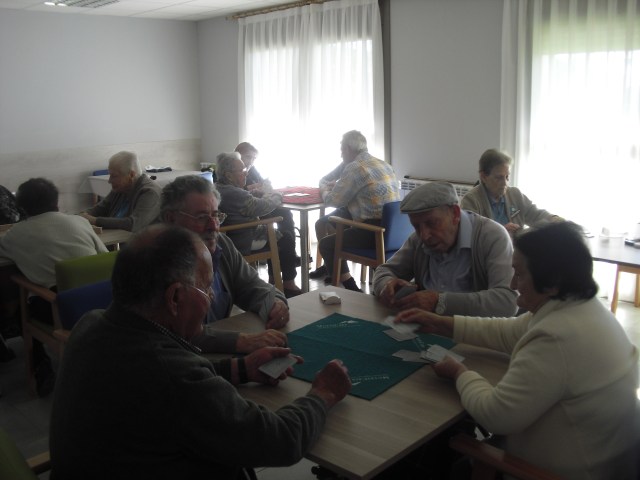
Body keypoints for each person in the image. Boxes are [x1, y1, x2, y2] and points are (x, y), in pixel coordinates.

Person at [49, 224, 352, 479]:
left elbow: (169, 386)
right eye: (206, 288)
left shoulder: (90, 324)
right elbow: (281, 440)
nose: (211, 298)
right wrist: (322, 393)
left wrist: (241, 368)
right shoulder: (173, 376)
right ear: (175, 298)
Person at [394, 222, 639, 480]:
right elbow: (509, 331)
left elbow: (495, 416)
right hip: (605, 461)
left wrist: (459, 373)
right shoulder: (581, 307)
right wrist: (442, 324)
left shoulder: (556, 337)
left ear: (552, 282)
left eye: (519, 274)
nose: (512, 284)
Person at [0, 178, 107, 396]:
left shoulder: (15, 235)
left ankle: (42, 368)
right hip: (103, 302)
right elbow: (104, 258)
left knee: (21, 307)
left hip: (61, 311)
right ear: (56, 202)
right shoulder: (80, 222)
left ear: (22, 208)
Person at [161, 174, 290, 354]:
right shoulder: (156, 259)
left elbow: (251, 285)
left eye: (216, 215)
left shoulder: (221, 244)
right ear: (170, 219)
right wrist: (238, 341)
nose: (213, 226)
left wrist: (275, 303)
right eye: (201, 217)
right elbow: (176, 335)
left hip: (217, 357)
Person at [372, 181, 518, 317]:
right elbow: (383, 271)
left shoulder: (492, 236)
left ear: (455, 214)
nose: (424, 236)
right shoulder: (418, 240)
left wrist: (439, 302)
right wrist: (386, 285)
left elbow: (507, 301)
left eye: (432, 223)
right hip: (424, 326)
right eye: (416, 226)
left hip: (471, 332)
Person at [311, 130, 400, 292]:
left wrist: (324, 190)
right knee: (323, 223)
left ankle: (351, 288)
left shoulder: (355, 168)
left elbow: (332, 201)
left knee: (326, 245)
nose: (340, 155)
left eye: (341, 150)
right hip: (394, 231)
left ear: (347, 149)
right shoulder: (384, 164)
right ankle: (333, 266)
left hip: (373, 232)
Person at [215, 152, 302, 298]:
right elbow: (265, 207)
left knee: (275, 234)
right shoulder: (235, 193)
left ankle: (274, 279)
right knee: (285, 237)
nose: (246, 173)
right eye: (242, 170)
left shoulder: (218, 188)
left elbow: (244, 204)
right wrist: (276, 194)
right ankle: (288, 283)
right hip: (244, 239)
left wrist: (253, 195)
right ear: (229, 175)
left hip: (230, 237)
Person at [461, 149, 562, 236]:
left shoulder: (515, 194)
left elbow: (535, 214)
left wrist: (553, 219)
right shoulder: (471, 201)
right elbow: (470, 236)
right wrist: (501, 231)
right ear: (483, 176)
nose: (505, 183)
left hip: (516, 250)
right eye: (499, 178)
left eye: (507, 177)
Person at [235, 141, 299, 263]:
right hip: (248, 212)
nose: (251, 161)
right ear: (237, 155)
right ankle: (282, 258)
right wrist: (252, 189)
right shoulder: (233, 171)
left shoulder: (251, 169)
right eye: (248, 157)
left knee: (285, 213)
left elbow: (262, 183)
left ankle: (290, 254)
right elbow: (238, 194)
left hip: (256, 204)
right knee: (270, 218)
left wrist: (263, 187)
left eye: (254, 158)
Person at [79, 151, 161, 232]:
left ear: (131, 175)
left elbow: (133, 224)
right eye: (110, 175)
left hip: (134, 240)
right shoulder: (119, 189)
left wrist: (94, 221)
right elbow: (100, 209)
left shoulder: (150, 192)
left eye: (114, 176)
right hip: (115, 237)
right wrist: (82, 215)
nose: (109, 181)